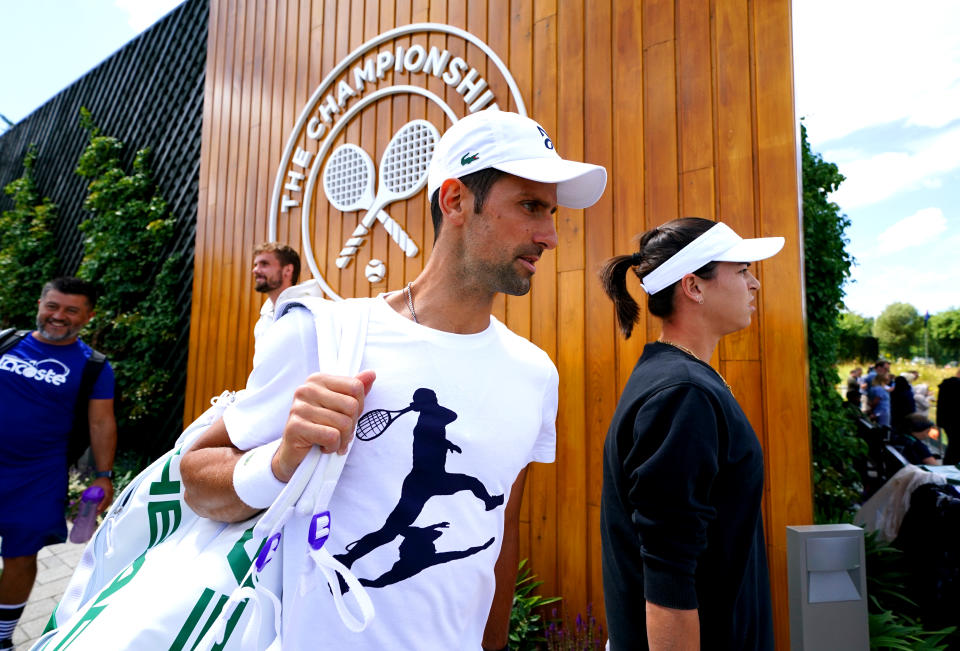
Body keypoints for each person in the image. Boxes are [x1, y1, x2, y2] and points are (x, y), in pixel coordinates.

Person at [180, 110, 607, 650]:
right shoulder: (324, 336)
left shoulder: (535, 374)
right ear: (455, 201)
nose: (549, 236)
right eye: (530, 207)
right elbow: (195, 481)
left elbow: (501, 528)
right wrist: (281, 461)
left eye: (551, 213)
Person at [598, 217, 783, 650]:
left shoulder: (680, 379)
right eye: (741, 271)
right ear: (693, 286)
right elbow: (669, 576)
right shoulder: (682, 394)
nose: (753, 284)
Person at [0, 277, 117, 649]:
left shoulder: (94, 367)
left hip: (38, 477)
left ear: (88, 316)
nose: (58, 316)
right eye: (52, 306)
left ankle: (1, 638)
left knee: (20, 555)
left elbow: (101, 422)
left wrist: (104, 475)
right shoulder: (7, 341)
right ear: (40, 303)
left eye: (71, 310)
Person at [251, 242, 323, 348]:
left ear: (288, 270)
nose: (255, 270)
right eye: (256, 265)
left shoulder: (309, 313)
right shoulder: (263, 321)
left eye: (264, 264)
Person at [939, 368, 960, 465]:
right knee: (954, 448)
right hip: (955, 422)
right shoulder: (956, 386)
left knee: (952, 446)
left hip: (946, 421)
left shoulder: (945, 385)